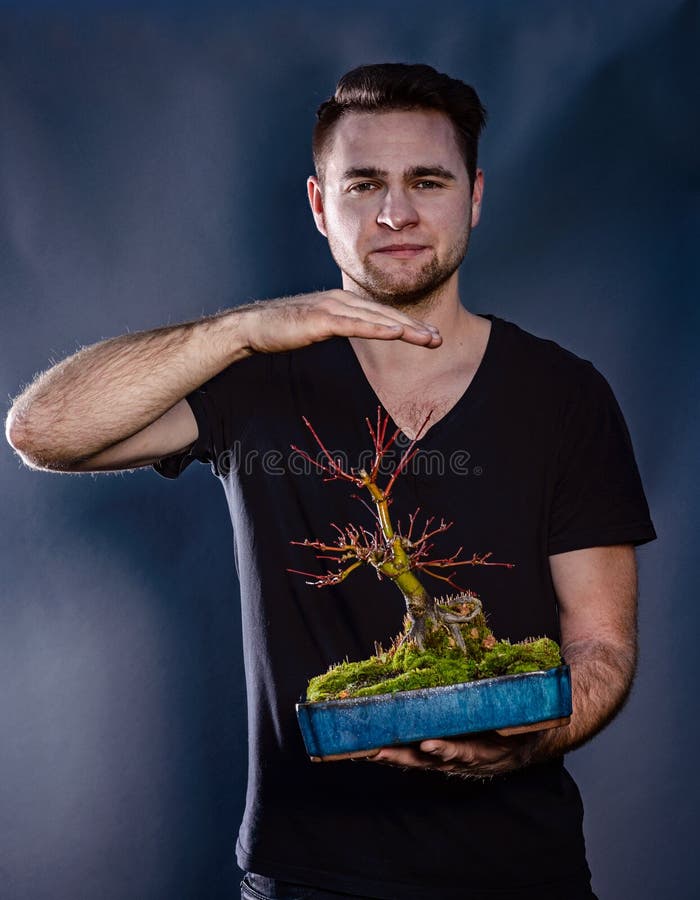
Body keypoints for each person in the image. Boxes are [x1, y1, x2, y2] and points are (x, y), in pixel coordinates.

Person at [6, 63, 655, 900]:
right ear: (319, 205)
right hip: (307, 878)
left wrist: (536, 735)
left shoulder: (565, 395)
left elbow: (601, 644)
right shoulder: (255, 379)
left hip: (524, 875)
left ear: (475, 196)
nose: (395, 213)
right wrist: (243, 329)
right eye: (364, 185)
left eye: (427, 181)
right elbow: (41, 431)